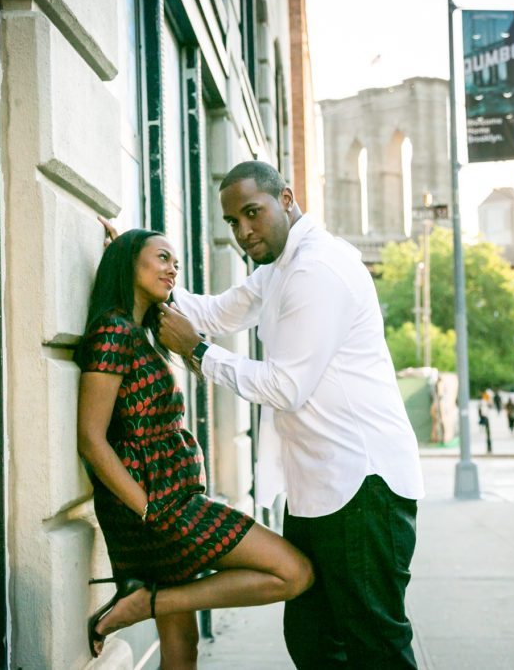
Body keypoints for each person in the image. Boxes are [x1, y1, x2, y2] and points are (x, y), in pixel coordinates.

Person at [156, 160, 425, 669]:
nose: (244, 230)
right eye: (233, 222)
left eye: (252, 213)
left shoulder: (317, 268)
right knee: (313, 639)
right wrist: (140, 264)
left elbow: (286, 386)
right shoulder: (278, 270)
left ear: (286, 198)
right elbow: (214, 312)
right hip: (320, 489)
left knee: (376, 646)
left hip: (363, 484)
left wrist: (198, 353)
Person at [75, 228, 314, 665]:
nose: (173, 267)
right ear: (129, 263)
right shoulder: (112, 331)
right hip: (158, 507)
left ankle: (150, 600)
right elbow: (91, 439)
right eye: (162, 258)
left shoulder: (141, 334)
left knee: (182, 649)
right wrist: (145, 507)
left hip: (169, 498)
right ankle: (145, 603)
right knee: (293, 572)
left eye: (176, 261)